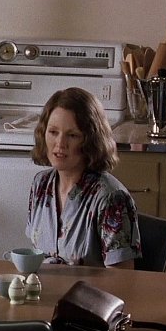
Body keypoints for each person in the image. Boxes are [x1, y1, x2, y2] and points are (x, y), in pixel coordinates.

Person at [25, 87, 141, 268]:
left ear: (90, 140)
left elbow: (122, 279)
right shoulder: (41, 185)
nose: (60, 144)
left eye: (72, 135)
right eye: (53, 132)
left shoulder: (110, 197)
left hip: (91, 288)